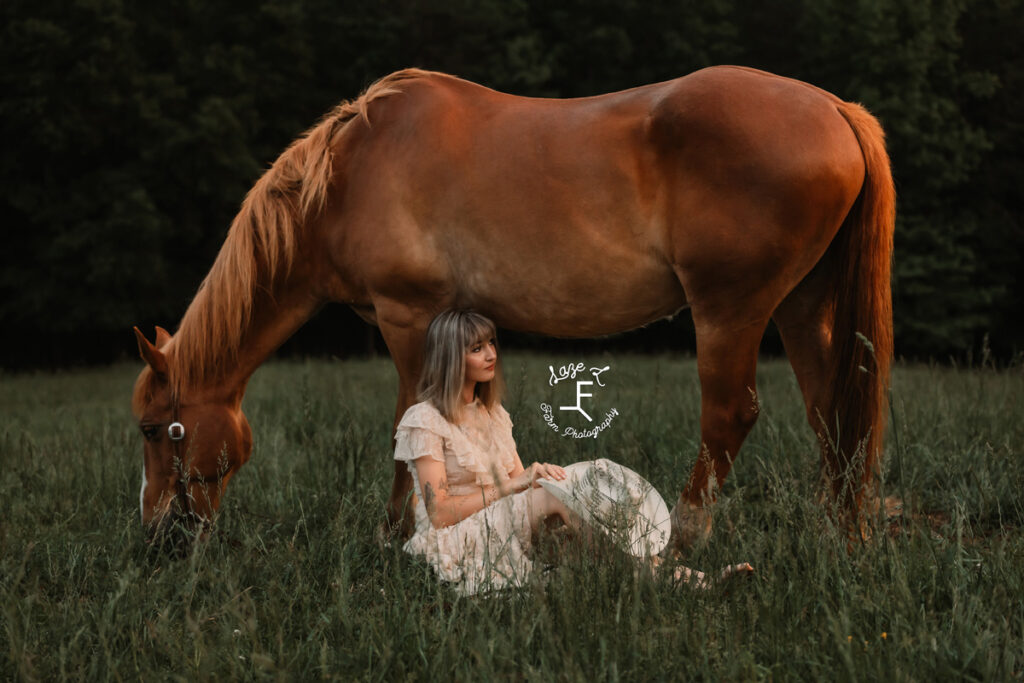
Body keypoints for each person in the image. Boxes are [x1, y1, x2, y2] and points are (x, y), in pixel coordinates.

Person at [393, 309, 750, 596]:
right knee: (561, 499)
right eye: (476, 348)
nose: (491, 354)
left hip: (503, 517)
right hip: (457, 534)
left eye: (491, 343)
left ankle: (680, 578)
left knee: (574, 498)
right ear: (449, 358)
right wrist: (520, 484)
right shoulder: (425, 419)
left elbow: (524, 483)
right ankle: (688, 581)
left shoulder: (494, 413)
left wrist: (553, 477)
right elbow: (439, 512)